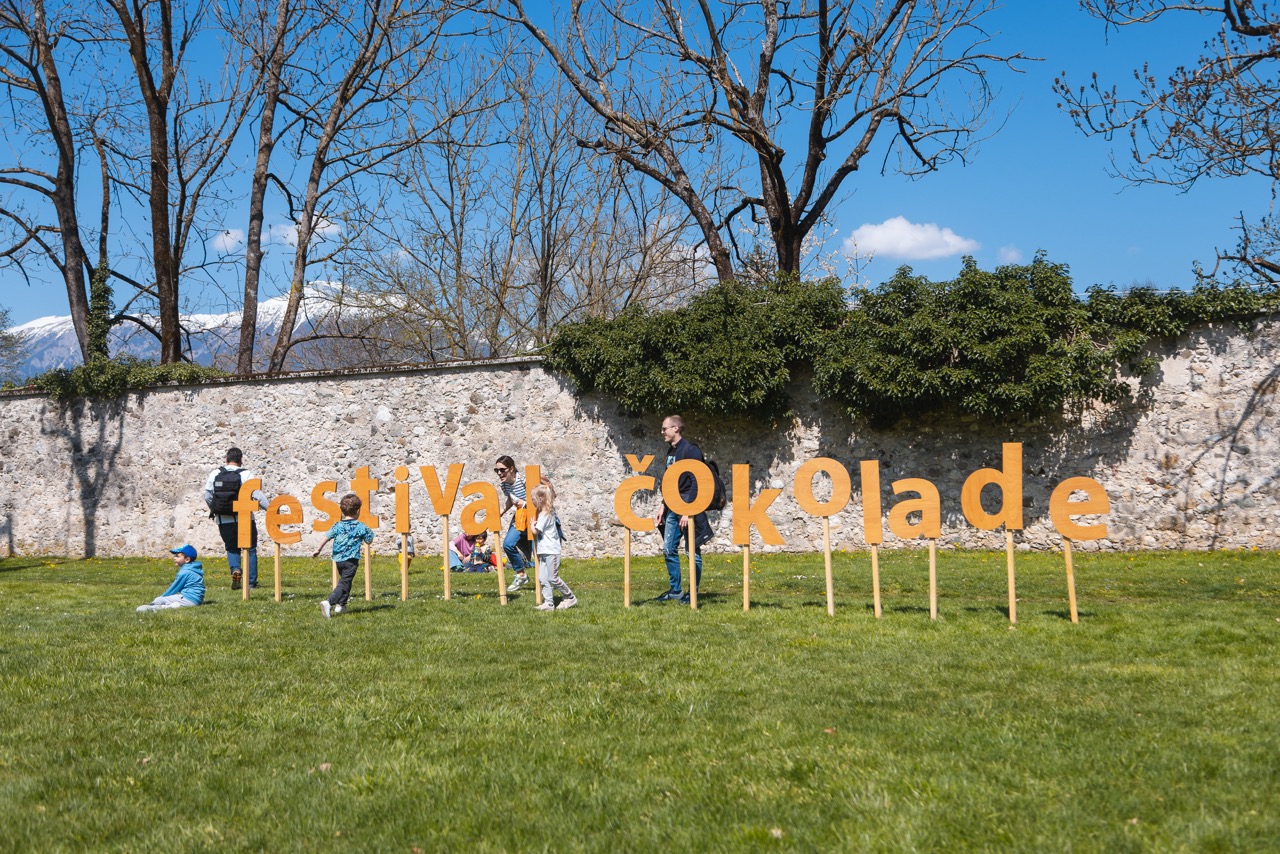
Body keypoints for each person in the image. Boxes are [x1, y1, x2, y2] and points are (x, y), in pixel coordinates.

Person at [652, 415, 713, 604]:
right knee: (669, 549)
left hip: (688, 507)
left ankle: (692, 593)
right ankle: (676, 590)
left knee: (692, 551)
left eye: (665, 428)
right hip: (672, 506)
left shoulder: (691, 450)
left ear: (675, 428)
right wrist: (663, 504)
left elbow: (698, 481)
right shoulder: (671, 451)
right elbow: (671, 482)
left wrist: (689, 510)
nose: (662, 432)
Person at [204, 447, 267, 590]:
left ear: (226, 459)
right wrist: (271, 510)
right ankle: (250, 583)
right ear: (241, 460)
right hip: (244, 518)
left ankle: (236, 570)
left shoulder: (215, 473)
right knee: (250, 549)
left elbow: (207, 496)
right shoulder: (246, 474)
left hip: (223, 518)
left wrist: (216, 509)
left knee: (232, 548)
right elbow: (258, 496)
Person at [314, 493, 375, 618]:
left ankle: (341, 606)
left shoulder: (337, 526)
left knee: (346, 581)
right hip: (351, 560)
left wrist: (318, 549)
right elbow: (369, 539)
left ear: (342, 511)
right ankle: (329, 602)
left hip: (338, 559)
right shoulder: (360, 526)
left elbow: (326, 537)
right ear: (358, 510)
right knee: (345, 583)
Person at [530, 483, 575, 611]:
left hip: (551, 551)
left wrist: (532, 524)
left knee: (553, 578)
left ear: (541, 499)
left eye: (533, 499)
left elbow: (536, 531)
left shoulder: (545, 515)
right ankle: (549, 603)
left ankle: (570, 597)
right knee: (542, 578)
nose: (532, 502)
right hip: (544, 551)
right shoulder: (544, 513)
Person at [495, 455, 536, 592]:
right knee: (508, 544)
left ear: (511, 468)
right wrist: (500, 513)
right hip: (519, 516)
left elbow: (537, 499)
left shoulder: (524, 480)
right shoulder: (504, 484)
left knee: (539, 550)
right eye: (497, 471)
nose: (499, 473)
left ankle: (549, 579)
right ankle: (521, 575)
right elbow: (510, 500)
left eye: (502, 470)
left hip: (533, 516)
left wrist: (524, 503)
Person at [137, 545, 205, 612]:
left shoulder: (185, 572)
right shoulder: (194, 569)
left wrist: (161, 597)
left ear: (187, 559)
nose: (174, 558)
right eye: (175, 556)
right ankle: (171, 606)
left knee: (159, 600)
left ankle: (152, 607)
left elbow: (175, 588)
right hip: (197, 600)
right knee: (174, 600)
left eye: (177, 556)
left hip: (188, 598)